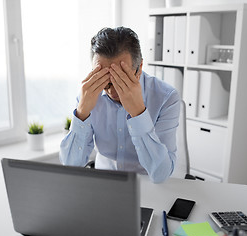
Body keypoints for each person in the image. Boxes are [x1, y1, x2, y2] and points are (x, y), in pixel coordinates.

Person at [59, 26, 180, 183]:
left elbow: (160, 174)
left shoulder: (166, 98)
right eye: (105, 80)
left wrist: (138, 113)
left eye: (121, 79)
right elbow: (70, 165)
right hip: (104, 185)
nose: (113, 91)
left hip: (148, 186)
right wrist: (82, 112)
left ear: (140, 68)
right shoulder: (88, 94)